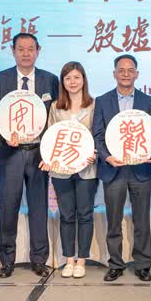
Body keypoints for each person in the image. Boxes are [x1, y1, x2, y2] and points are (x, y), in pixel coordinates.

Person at [0, 32, 59, 278]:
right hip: (10, 154)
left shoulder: (50, 80)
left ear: (38, 51)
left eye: (30, 49)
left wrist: (51, 150)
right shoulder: (0, 79)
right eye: (21, 49)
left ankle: (39, 259)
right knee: (9, 208)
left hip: (39, 154)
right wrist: (3, 138)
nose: (26, 53)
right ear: (13, 51)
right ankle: (7, 260)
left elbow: (55, 117)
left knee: (39, 208)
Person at [93, 54, 151, 282]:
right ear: (114, 74)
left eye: (130, 70)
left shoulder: (147, 101)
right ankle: (115, 264)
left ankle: (142, 265)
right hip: (114, 169)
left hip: (141, 169)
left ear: (137, 74)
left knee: (142, 220)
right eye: (122, 70)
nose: (126, 74)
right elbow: (98, 135)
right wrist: (107, 157)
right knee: (113, 221)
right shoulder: (102, 101)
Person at [40, 61, 98, 279]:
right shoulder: (56, 107)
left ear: (83, 79)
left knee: (85, 214)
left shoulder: (94, 105)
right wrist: (48, 159)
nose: (72, 82)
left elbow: (98, 135)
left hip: (87, 169)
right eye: (68, 78)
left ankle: (81, 260)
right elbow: (49, 137)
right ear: (62, 82)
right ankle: (69, 260)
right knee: (66, 215)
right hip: (61, 170)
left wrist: (95, 153)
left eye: (76, 77)